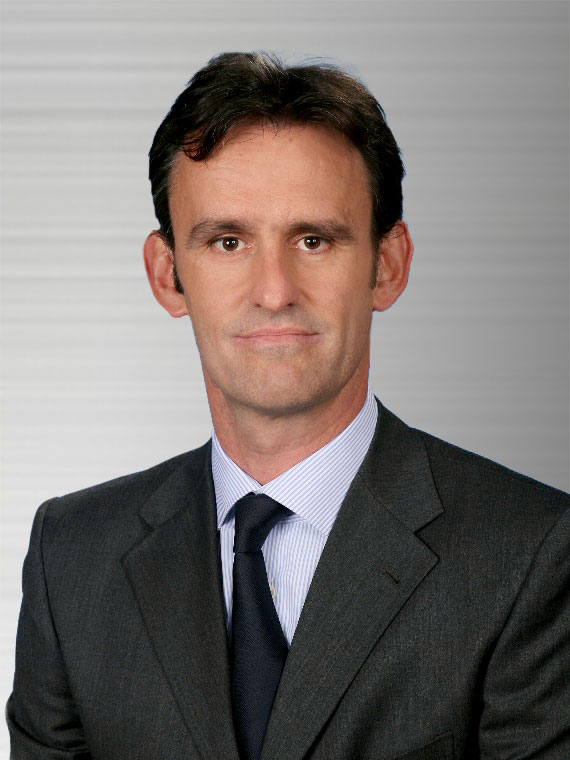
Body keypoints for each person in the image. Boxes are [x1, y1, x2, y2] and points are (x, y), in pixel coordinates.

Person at [6, 51, 569, 760]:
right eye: (228, 241)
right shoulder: (71, 556)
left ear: (387, 265)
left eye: (313, 240)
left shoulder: (531, 554)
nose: (274, 291)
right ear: (167, 275)